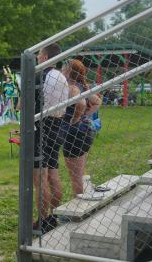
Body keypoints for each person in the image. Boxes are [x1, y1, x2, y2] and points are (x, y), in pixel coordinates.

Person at [33, 43, 69, 233]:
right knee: (53, 173)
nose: (37, 58)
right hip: (58, 125)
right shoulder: (61, 76)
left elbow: (26, 104)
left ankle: (43, 219)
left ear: (46, 58)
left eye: (39, 54)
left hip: (41, 127)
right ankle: (53, 215)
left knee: (40, 177)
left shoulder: (40, 76)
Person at [61, 59, 101, 197]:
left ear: (68, 72)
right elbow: (97, 102)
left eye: (62, 69)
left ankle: (79, 205)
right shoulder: (82, 86)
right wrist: (85, 116)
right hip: (86, 129)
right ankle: (84, 197)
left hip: (73, 132)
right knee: (80, 171)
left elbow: (81, 103)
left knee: (75, 176)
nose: (60, 72)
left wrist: (75, 118)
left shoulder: (72, 87)